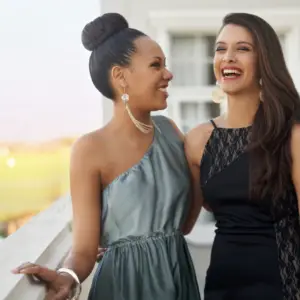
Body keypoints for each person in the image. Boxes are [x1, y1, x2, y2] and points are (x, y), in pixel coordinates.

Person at [12, 13, 202, 300]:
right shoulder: (89, 149)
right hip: (124, 286)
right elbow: (85, 250)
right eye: (156, 65)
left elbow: (184, 224)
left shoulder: (171, 131)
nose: (168, 74)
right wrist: (67, 277)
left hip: (177, 277)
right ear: (120, 76)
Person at [185, 12, 300, 300]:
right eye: (221, 48)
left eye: (243, 49)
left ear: (265, 61)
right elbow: (180, 224)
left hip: (284, 286)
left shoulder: (292, 135)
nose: (228, 57)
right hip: (222, 285)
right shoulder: (198, 140)